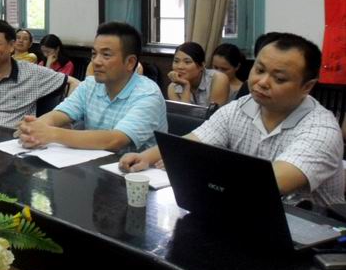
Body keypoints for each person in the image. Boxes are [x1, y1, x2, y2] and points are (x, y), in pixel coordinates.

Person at [121, 33, 344, 207]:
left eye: (279, 78)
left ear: (307, 86)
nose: (262, 82)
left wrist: (200, 168)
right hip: (246, 212)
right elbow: (192, 142)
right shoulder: (240, 107)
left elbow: (270, 184)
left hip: (314, 234)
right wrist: (145, 157)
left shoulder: (321, 129)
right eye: (259, 70)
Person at [17, 22, 166, 152]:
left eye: (106, 55)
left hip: (137, 172)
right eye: (94, 54)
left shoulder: (148, 94)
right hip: (95, 168)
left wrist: (52, 134)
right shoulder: (90, 84)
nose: (96, 62)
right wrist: (34, 128)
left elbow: (115, 140)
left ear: (130, 62)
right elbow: (60, 114)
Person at [167, 42, 229, 106]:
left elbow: (214, 112)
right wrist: (185, 86)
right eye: (176, 61)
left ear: (202, 65)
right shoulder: (173, 88)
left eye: (187, 62)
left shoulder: (218, 79)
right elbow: (182, 112)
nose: (180, 67)